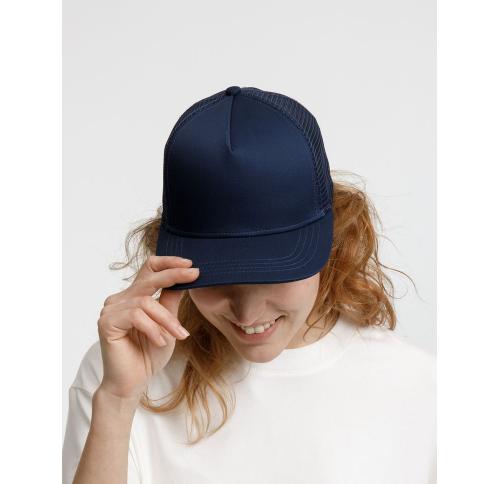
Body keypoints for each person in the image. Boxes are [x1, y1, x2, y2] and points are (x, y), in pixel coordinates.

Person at [63, 86, 436, 484]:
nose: (247, 313)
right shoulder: (120, 374)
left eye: (275, 273)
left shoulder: (420, 390)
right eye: (216, 277)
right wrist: (117, 402)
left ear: (331, 239)